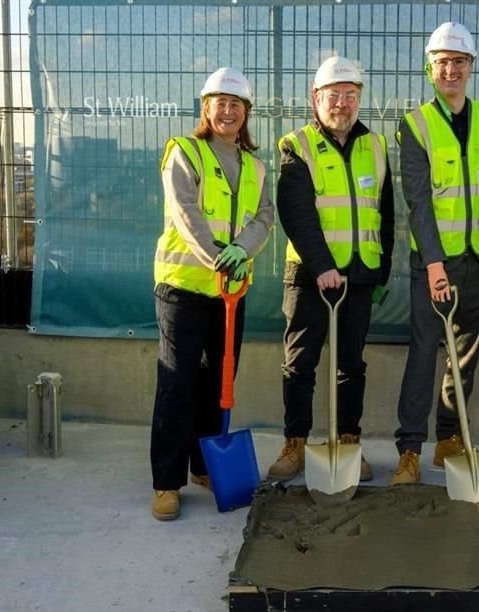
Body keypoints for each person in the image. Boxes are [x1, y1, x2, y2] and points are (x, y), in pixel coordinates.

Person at [391, 22, 479, 484]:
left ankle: (449, 438)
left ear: (471, 68)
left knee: (465, 354)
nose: (451, 70)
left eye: (459, 62)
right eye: (442, 62)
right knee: (424, 354)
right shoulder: (415, 124)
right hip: (436, 263)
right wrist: (435, 265)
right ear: (430, 69)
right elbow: (418, 201)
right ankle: (408, 448)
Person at [150, 68, 275, 521]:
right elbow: (185, 212)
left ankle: (204, 464)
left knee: (217, 383)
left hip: (230, 295)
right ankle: (166, 481)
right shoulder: (184, 153)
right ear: (206, 108)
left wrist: (243, 249)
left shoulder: (257, 167)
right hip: (184, 288)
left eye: (236, 105)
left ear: (246, 114)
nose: (228, 111)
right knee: (177, 385)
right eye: (220, 103)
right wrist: (218, 256)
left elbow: (265, 217)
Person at [268, 56, 394, 482]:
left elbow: (386, 212)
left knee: (351, 366)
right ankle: (295, 444)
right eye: (333, 95)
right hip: (309, 277)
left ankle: (347, 442)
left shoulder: (374, 146)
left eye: (350, 95)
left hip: (358, 275)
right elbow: (296, 211)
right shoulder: (296, 145)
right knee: (300, 364)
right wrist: (322, 265)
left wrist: (382, 269)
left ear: (359, 99)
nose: (342, 104)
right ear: (315, 98)